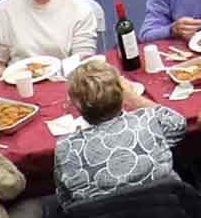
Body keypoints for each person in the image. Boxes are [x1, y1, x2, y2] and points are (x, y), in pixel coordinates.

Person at [51, 56, 187, 199]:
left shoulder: (65, 148)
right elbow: (179, 124)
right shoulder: (149, 121)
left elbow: (65, 200)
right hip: (168, 213)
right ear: (122, 93)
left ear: (76, 105)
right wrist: (135, 98)